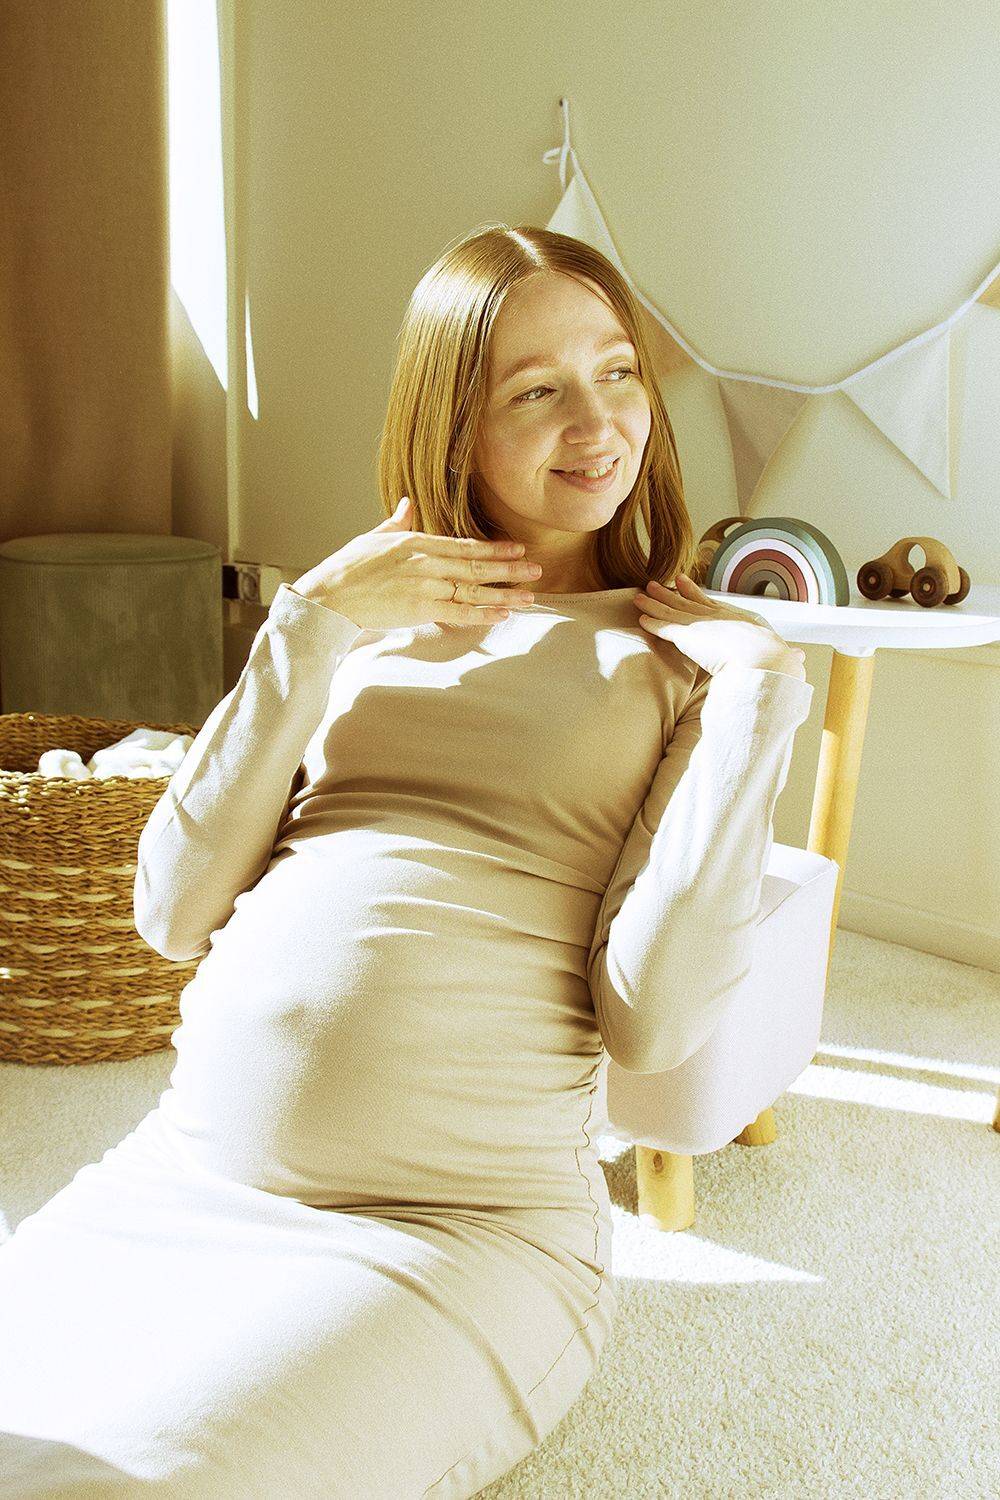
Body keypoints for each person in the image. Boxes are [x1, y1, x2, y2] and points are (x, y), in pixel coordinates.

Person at [0, 224, 812, 1498]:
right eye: (535, 392)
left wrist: (760, 700)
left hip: (451, 1235)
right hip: (185, 1177)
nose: (596, 423)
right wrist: (307, 627)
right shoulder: (357, 622)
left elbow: (653, 1024)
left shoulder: (682, 661)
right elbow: (171, 909)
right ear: (453, 423)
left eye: (617, 372)